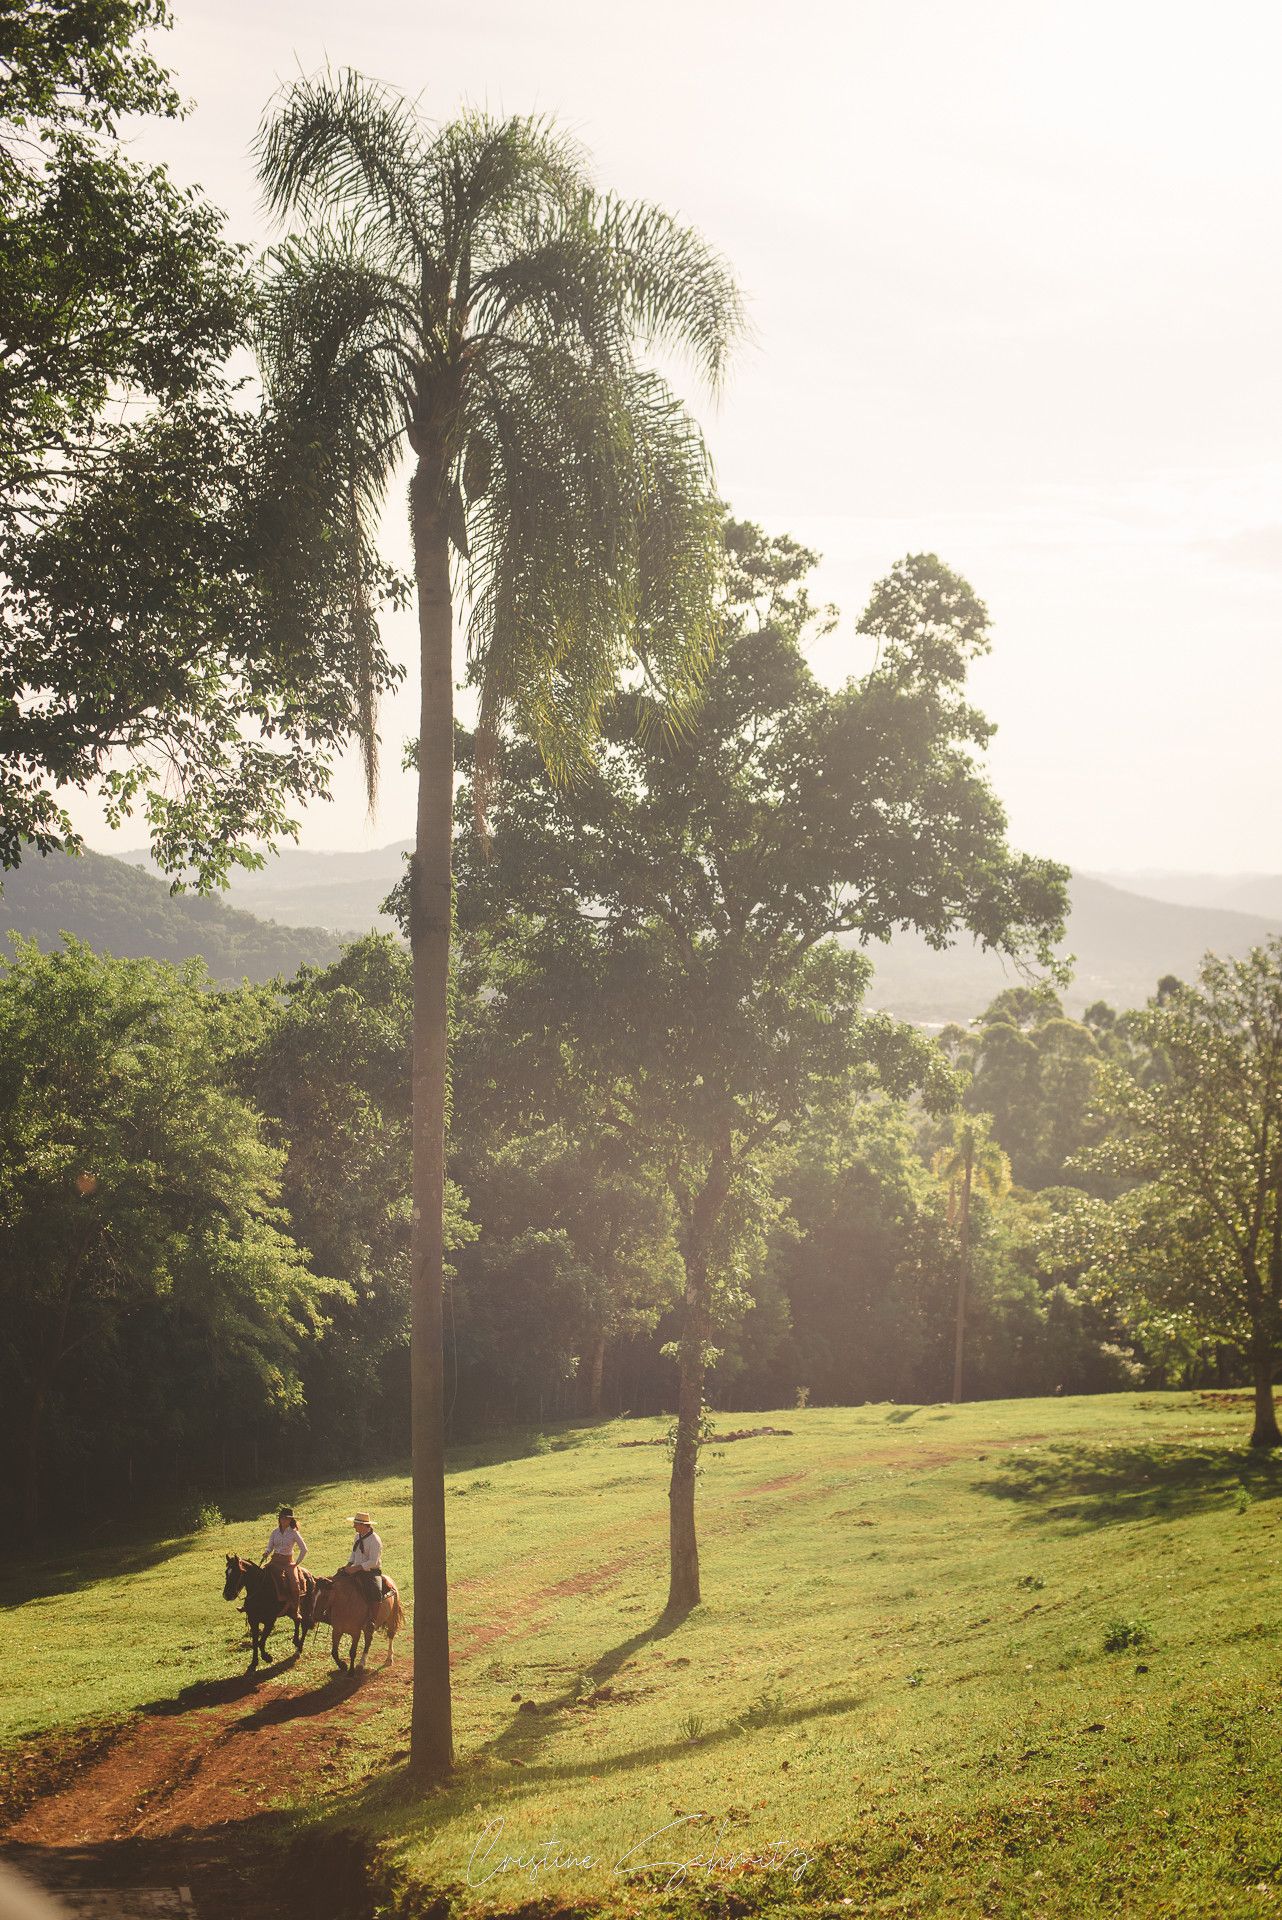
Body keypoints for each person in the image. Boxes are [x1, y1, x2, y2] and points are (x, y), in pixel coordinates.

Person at [261, 1506, 308, 1605]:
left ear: (290, 1520)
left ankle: (295, 1609)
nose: (283, 1520)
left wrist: (296, 1563)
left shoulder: (294, 1533)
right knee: (260, 1576)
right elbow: (270, 1547)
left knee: (295, 1584)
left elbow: (304, 1549)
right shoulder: (275, 1532)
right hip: (274, 1561)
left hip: (287, 1563)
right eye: (282, 1517)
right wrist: (266, 1552)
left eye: (286, 1518)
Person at [343, 1509, 385, 1610]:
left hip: (371, 1572)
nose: (353, 1526)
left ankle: (373, 1619)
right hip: (356, 1569)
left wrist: (356, 1568)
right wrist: (348, 1566)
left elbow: (373, 1561)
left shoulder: (375, 1540)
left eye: (355, 1524)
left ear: (363, 1525)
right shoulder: (357, 1537)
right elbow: (354, 1554)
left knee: (375, 1591)